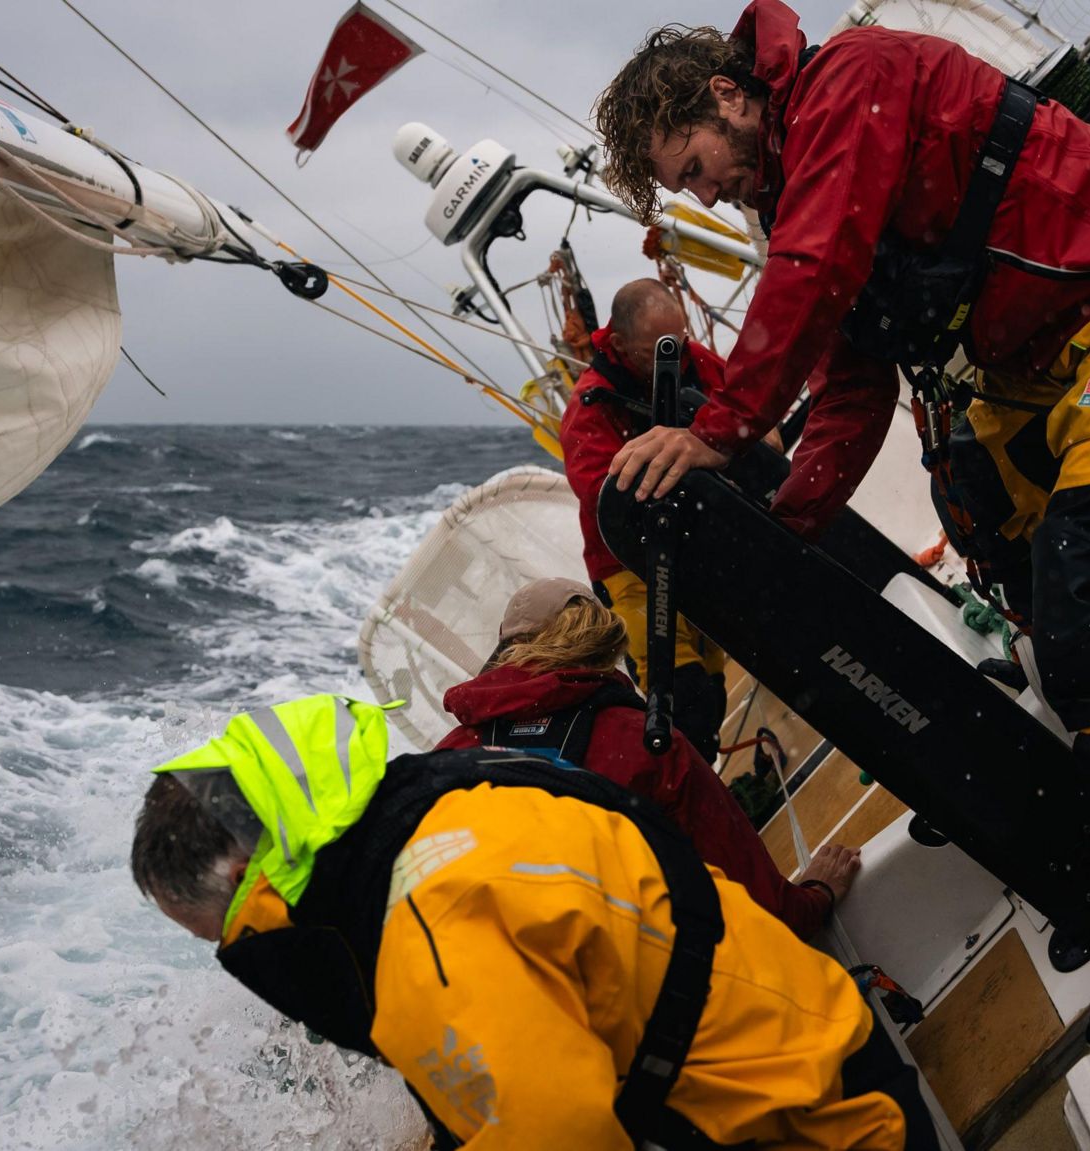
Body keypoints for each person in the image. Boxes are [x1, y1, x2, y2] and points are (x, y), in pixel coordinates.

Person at [592, 1, 1090, 1056]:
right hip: (1047, 367)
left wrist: (720, 432)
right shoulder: (800, 180)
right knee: (1010, 564)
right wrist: (787, 525)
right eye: (683, 189)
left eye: (693, 166)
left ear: (724, 97)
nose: (704, 193)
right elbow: (852, 379)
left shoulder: (854, 82)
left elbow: (811, 270)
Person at [132, 692, 919, 1149]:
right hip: (805, 1040)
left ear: (245, 879)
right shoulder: (456, 801)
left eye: (219, 935)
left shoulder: (425, 939)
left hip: (823, 1125)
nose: (237, 954)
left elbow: (559, 1134)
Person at [436, 576, 862, 940]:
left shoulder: (449, 756)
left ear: (505, 653)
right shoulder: (644, 741)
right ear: (602, 642)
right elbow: (763, 912)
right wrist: (815, 895)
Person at [560, 279, 731, 761]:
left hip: (700, 549)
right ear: (617, 346)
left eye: (677, 344)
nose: (672, 362)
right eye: (657, 353)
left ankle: (705, 774)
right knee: (680, 695)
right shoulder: (588, 412)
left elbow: (750, 415)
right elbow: (602, 497)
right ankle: (685, 793)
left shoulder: (694, 360)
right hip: (631, 567)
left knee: (713, 690)